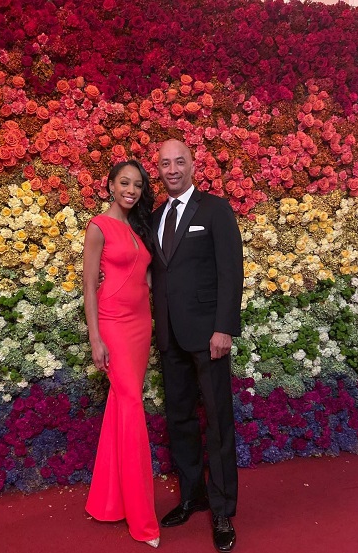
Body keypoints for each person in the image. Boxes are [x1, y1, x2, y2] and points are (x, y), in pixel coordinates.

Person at [151, 139, 244, 552]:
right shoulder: (155, 216)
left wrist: (224, 328)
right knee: (180, 418)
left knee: (218, 420)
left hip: (209, 335)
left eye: (179, 162)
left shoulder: (215, 209)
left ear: (192, 164)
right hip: (170, 335)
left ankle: (223, 509)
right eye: (165, 163)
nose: (172, 169)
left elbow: (231, 270)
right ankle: (193, 495)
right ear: (158, 169)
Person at [83, 160, 160, 548]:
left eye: (137, 185)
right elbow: (88, 287)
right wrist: (96, 339)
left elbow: (147, 278)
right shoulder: (98, 227)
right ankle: (143, 521)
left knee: (120, 405)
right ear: (110, 185)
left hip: (141, 325)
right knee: (130, 405)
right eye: (124, 183)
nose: (131, 190)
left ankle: (107, 501)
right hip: (112, 323)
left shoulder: (139, 227)